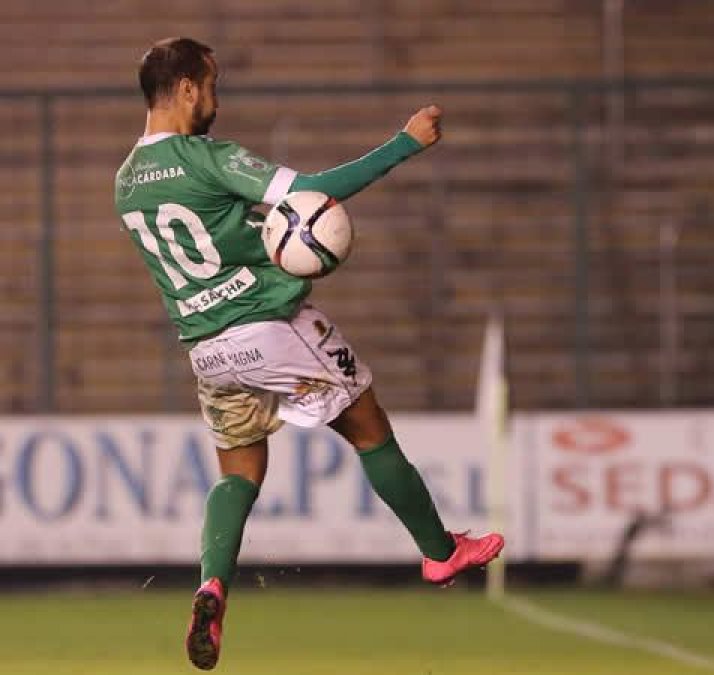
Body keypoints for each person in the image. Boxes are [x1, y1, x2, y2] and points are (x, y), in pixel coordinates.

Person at [114, 37, 504, 671]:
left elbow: (214, 245)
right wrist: (405, 142)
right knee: (369, 429)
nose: (215, 98)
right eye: (210, 85)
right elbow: (313, 192)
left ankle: (213, 582)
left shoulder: (126, 182)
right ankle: (439, 551)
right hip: (272, 326)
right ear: (186, 88)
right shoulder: (203, 157)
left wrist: (259, 242)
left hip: (206, 347)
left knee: (238, 474)